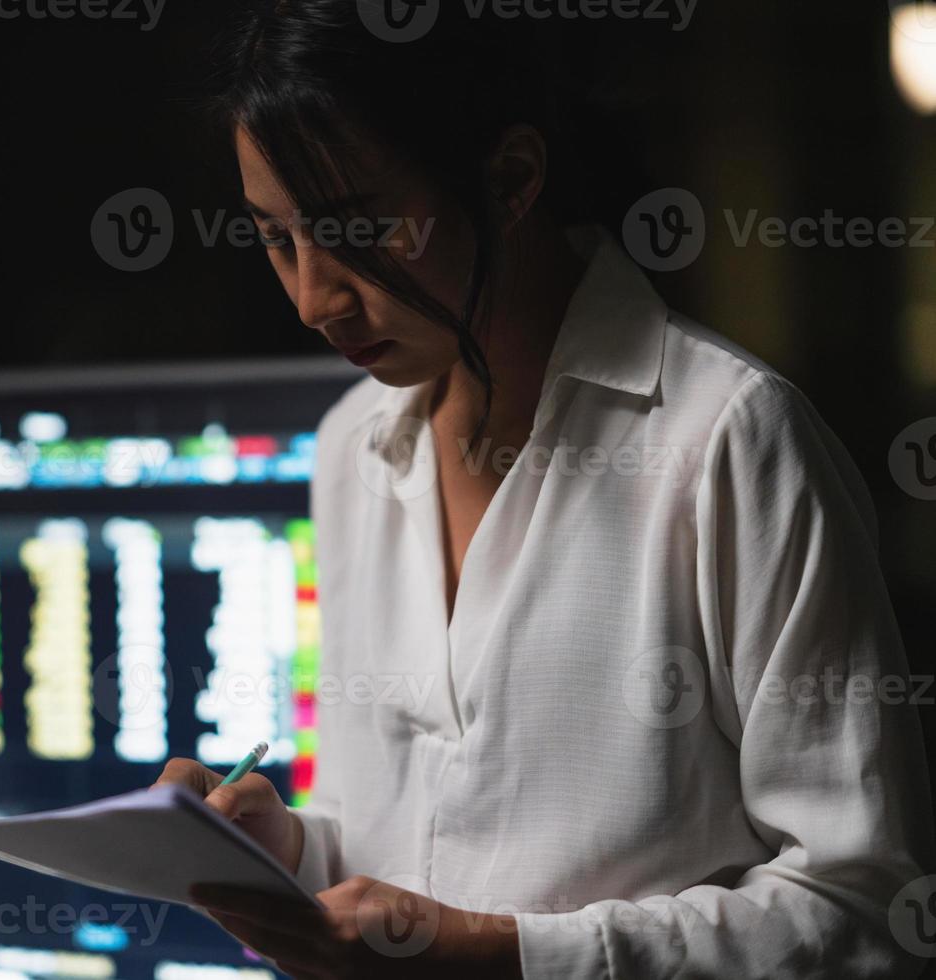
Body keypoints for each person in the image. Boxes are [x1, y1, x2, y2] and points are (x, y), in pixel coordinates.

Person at [151, 2, 935, 977]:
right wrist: (293, 850)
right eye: (276, 238)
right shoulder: (349, 445)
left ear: (512, 178)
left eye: (359, 229)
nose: (315, 297)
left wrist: (502, 954)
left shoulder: (726, 438)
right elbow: (416, 836)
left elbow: (863, 910)